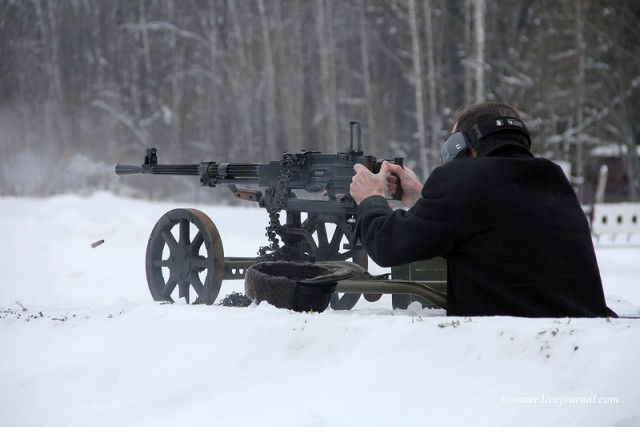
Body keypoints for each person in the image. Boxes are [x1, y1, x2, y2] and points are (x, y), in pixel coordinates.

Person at [349, 102, 616, 317]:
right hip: (578, 343)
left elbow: (387, 245)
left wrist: (371, 198)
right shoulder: (553, 178)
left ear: (462, 147)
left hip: (509, 352)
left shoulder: (461, 179)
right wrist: (422, 200)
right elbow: (488, 231)